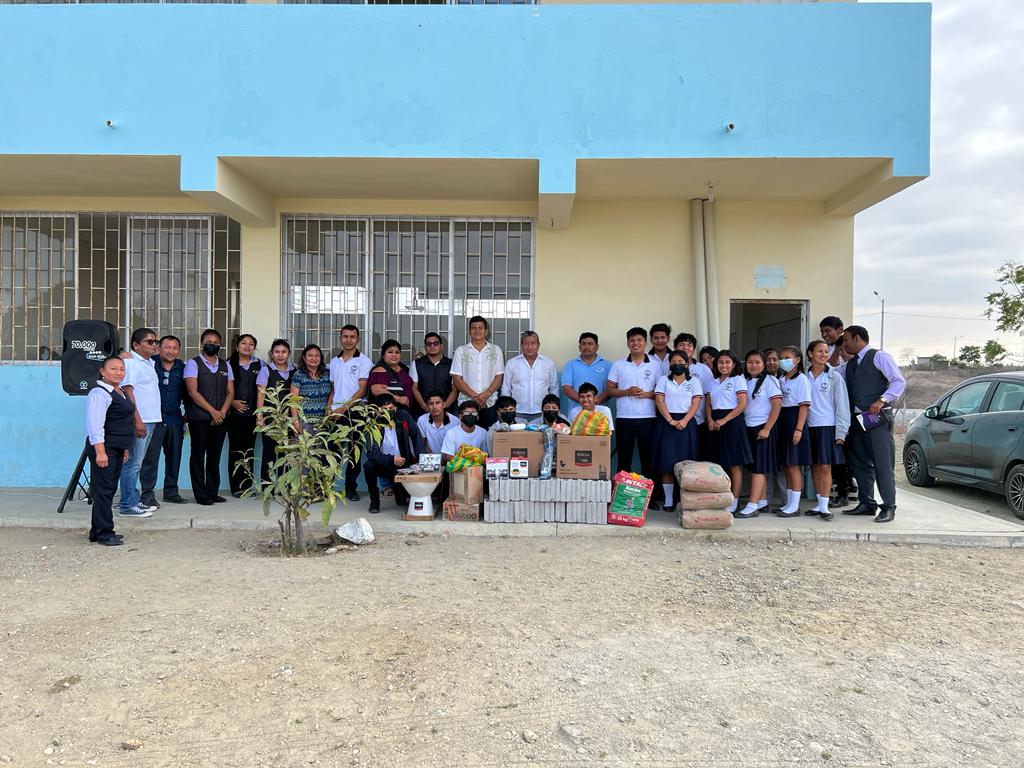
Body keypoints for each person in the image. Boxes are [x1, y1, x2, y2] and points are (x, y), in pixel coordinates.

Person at [841, 325, 906, 523]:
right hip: (857, 421)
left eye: (846, 340)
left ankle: (889, 507)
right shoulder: (850, 365)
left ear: (857, 338)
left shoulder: (879, 357)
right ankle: (867, 503)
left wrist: (882, 400)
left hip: (876, 419)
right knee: (859, 463)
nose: (844, 344)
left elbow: (898, 381)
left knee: (882, 464)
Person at [86, 356, 143, 545]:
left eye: (121, 369)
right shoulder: (99, 393)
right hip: (104, 448)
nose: (118, 372)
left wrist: (124, 447)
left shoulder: (120, 392)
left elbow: (122, 421)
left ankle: (97, 531)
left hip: (117, 448)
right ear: (102, 371)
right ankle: (105, 533)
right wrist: (100, 452)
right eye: (113, 369)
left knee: (108, 489)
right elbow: (95, 425)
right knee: (104, 490)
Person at [607, 327, 661, 507]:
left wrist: (647, 394)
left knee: (648, 459)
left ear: (645, 343)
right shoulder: (619, 364)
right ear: (627, 343)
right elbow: (611, 390)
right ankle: (622, 499)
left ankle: (649, 499)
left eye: (639, 340)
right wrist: (627, 392)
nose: (636, 343)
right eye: (632, 340)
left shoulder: (655, 364)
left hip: (648, 418)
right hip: (625, 418)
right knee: (624, 459)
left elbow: (661, 391)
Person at [184, 328, 235, 506]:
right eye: (208, 342)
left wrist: (222, 412)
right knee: (198, 455)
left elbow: (230, 392)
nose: (212, 345)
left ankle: (212, 492)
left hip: (220, 418)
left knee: (214, 456)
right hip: (199, 418)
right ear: (202, 343)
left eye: (215, 343)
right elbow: (192, 391)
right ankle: (200, 494)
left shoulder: (225, 365)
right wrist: (213, 411)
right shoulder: (193, 364)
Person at [139, 335, 187, 507]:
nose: (171, 351)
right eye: (167, 347)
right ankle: (147, 494)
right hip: (154, 418)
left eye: (175, 348)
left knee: (174, 457)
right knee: (150, 459)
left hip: (175, 418)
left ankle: (171, 492)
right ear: (159, 348)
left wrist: (187, 415)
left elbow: (189, 392)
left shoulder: (183, 367)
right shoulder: (149, 364)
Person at [805, 339, 850, 521]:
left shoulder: (834, 376)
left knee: (825, 466)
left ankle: (825, 506)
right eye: (819, 351)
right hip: (808, 426)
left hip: (827, 426)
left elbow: (842, 405)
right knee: (814, 466)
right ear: (810, 354)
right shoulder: (803, 376)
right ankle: (819, 503)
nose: (824, 355)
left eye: (826, 351)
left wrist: (841, 431)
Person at [119, 328, 162, 517]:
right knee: (132, 465)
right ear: (136, 345)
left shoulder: (149, 363)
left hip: (150, 420)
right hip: (140, 420)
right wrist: (137, 420)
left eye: (155, 341)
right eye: (149, 341)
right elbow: (128, 392)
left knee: (138, 463)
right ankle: (127, 505)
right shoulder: (130, 363)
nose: (154, 345)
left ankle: (134, 501)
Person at [735, 350, 782, 519]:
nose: (753, 366)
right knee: (754, 466)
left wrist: (767, 429)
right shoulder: (744, 381)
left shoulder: (770, 380)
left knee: (759, 468)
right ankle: (762, 501)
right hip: (748, 427)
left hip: (763, 427)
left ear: (763, 364)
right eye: (750, 362)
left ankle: (752, 505)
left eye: (757, 362)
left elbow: (777, 405)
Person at [654, 350, 703, 513]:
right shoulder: (663, 380)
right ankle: (669, 500)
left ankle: (684, 499)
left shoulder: (694, 381)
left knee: (687, 463)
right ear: (669, 365)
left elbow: (696, 402)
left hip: (687, 422)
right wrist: (670, 420)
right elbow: (659, 400)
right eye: (673, 362)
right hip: (667, 422)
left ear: (687, 364)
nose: (677, 365)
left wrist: (685, 420)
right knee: (667, 462)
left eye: (681, 362)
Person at [328, 325, 373, 501]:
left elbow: (362, 390)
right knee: (334, 452)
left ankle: (351, 489)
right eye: (345, 336)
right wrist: (329, 407)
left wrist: (343, 408)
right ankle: (328, 488)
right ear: (340, 338)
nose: (348, 340)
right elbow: (334, 389)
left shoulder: (364, 361)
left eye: (352, 337)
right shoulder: (334, 362)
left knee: (354, 453)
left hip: (356, 412)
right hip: (335, 414)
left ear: (358, 339)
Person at [705, 350, 751, 513]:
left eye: (727, 362)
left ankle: (734, 501)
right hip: (715, 422)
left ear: (733, 364)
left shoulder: (738, 380)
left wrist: (725, 420)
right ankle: (720, 499)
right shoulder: (712, 382)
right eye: (720, 362)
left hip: (732, 422)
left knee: (734, 464)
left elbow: (742, 404)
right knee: (717, 465)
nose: (723, 365)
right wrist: (710, 420)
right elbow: (708, 404)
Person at [364, 393, 424, 514]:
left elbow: (416, 435)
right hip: (383, 463)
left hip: (402, 463)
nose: (389, 411)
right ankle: (374, 501)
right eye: (384, 409)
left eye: (391, 408)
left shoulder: (403, 416)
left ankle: (400, 495)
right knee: (368, 466)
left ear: (395, 407)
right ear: (377, 410)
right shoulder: (373, 425)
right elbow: (371, 453)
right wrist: (391, 460)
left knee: (401, 502)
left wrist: (420, 459)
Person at [819, 315, 854, 507]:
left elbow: (848, 365)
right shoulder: (827, 350)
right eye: (822, 332)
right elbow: (829, 366)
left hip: (847, 405)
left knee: (845, 455)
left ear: (840, 329)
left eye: (828, 331)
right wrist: (835, 351)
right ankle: (837, 492)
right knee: (834, 457)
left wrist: (842, 349)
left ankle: (845, 492)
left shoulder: (848, 348)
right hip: (830, 409)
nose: (825, 335)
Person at [775, 345, 812, 517]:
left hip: (794, 420)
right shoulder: (781, 379)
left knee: (793, 465)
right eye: (781, 358)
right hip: (782, 421)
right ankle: (789, 503)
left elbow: (804, 406)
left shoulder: (802, 379)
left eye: (787, 357)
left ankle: (795, 506)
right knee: (786, 465)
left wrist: (798, 429)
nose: (783, 361)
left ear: (797, 360)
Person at [450, 316, 504, 429]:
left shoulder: (496, 350)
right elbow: (456, 378)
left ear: (486, 332)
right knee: (467, 435)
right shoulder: (460, 351)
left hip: (489, 403)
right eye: (474, 328)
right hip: (466, 404)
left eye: (480, 328)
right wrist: (476, 397)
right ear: (469, 332)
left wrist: (486, 395)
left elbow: (499, 377)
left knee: (488, 435)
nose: (477, 330)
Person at [226, 333, 262, 497]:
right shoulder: (228, 364)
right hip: (234, 416)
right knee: (236, 451)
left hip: (252, 416)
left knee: (250, 451)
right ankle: (236, 487)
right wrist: (232, 402)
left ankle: (248, 487)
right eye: (244, 343)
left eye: (251, 344)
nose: (247, 346)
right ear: (236, 347)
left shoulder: (260, 364)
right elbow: (220, 388)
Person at [255, 338, 295, 485]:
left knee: (287, 452)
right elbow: (261, 394)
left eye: (283, 352)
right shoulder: (266, 370)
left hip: (289, 419)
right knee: (269, 452)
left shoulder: (294, 371)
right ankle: (268, 486)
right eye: (277, 352)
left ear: (288, 353)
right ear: (271, 354)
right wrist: (260, 416)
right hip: (270, 418)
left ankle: (285, 486)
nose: (280, 355)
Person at [502, 330, 558, 423]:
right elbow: (506, 388)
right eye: (526, 344)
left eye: (533, 343)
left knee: (541, 433)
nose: (529, 347)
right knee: (518, 433)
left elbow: (554, 388)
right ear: (521, 345)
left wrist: (554, 409)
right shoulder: (512, 363)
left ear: (538, 345)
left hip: (542, 412)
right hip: (517, 412)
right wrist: (507, 410)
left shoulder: (548, 363)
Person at [675, 332, 716, 459]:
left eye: (689, 345)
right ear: (675, 348)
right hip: (677, 420)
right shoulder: (670, 367)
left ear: (693, 350)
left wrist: (709, 418)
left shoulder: (704, 369)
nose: (686, 347)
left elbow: (709, 395)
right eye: (682, 344)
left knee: (699, 456)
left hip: (699, 421)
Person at [411, 332, 456, 416]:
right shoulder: (417, 364)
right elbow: (414, 388)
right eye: (429, 344)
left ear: (441, 346)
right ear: (425, 347)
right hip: (422, 411)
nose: (432, 346)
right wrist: (424, 406)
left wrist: (445, 406)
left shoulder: (451, 364)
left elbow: (455, 389)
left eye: (435, 343)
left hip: (447, 411)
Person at [561, 332, 611, 406]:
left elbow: (611, 389)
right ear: (579, 347)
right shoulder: (570, 365)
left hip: (600, 410)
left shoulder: (608, 365)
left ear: (597, 347)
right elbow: (566, 388)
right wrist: (584, 401)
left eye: (590, 344)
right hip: (577, 410)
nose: (586, 347)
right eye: (583, 344)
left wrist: (596, 401)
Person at [290, 344, 331, 434]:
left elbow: (333, 392)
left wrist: (328, 410)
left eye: (317, 355)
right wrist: (295, 422)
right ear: (304, 358)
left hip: (324, 422)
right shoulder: (299, 375)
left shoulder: (327, 374)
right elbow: (293, 401)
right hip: (304, 423)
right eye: (310, 355)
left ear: (321, 358)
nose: (314, 358)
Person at [369, 339, 415, 411]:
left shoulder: (403, 368)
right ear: (383, 354)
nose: (394, 355)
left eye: (397, 352)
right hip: (389, 412)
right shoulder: (380, 370)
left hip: (406, 411)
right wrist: (399, 399)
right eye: (390, 352)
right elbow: (377, 390)